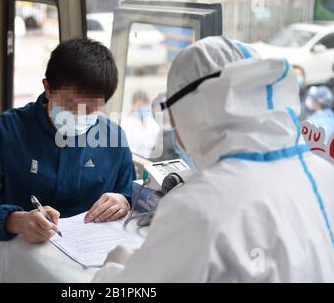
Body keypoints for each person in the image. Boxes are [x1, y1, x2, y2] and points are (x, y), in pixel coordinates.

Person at [93, 36, 334, 282]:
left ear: (195, 110)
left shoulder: (197, 205)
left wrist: (112, 270)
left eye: (172, 117)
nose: (175, 130)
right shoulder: (324, 174)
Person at [0, 38, 136, 282]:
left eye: (90, 110)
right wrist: (15, 220)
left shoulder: (112, 138)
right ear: (48, 88)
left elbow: (134, 196)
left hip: (86, 262)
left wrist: (125, 200)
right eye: (72, 105)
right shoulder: (6, 132)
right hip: (10, 249)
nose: (80, 116)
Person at [120, 90, 160, 158]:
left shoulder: (151, 122)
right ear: (133, 105)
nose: (142, 108)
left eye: (144, 105)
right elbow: (128, 145)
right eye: (139, 106)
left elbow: (153, 142)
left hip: (147, 160)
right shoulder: (126, 122)